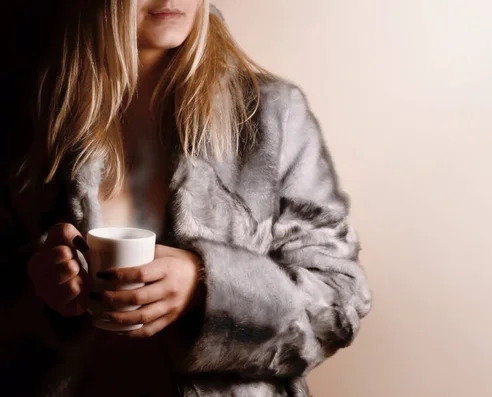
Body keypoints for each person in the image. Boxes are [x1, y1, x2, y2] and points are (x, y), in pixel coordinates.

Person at [0, 1, 372, 396]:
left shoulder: (269, 115)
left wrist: (208, 287)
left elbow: (338, 305)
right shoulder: (35, 115)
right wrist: (42, 284)